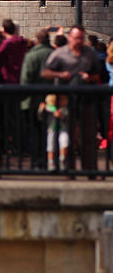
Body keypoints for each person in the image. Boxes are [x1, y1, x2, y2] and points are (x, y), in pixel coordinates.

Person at [41, 25, 102, 170]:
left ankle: (89, 169)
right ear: (69, 38)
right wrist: (61, 75)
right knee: (67, 134)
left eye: (81, 38)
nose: (79, 41)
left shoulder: (90, 53)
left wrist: (89, 77)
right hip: (64, 99)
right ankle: (68, 169)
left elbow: (98, 75)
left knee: (87, 136)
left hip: (86, 99)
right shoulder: (60, 53)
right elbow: (45, 72)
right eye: (76, 38)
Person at [0, 19, 31, 155]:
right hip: (21, 82)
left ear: (3, 29)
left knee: (11, 117)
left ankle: (16, 146)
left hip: (9, 82)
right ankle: (23, 145)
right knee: (20, 116)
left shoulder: (7, 43)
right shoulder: (22, 43)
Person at [20, 29, 54, 166]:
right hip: (52, 99)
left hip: (32, 100)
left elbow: (25, 78)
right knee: (50, 130)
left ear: (37, 40)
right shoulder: (55, 53)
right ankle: (49, 159)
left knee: (34, 131)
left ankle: (37, 161)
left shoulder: (31, 54)